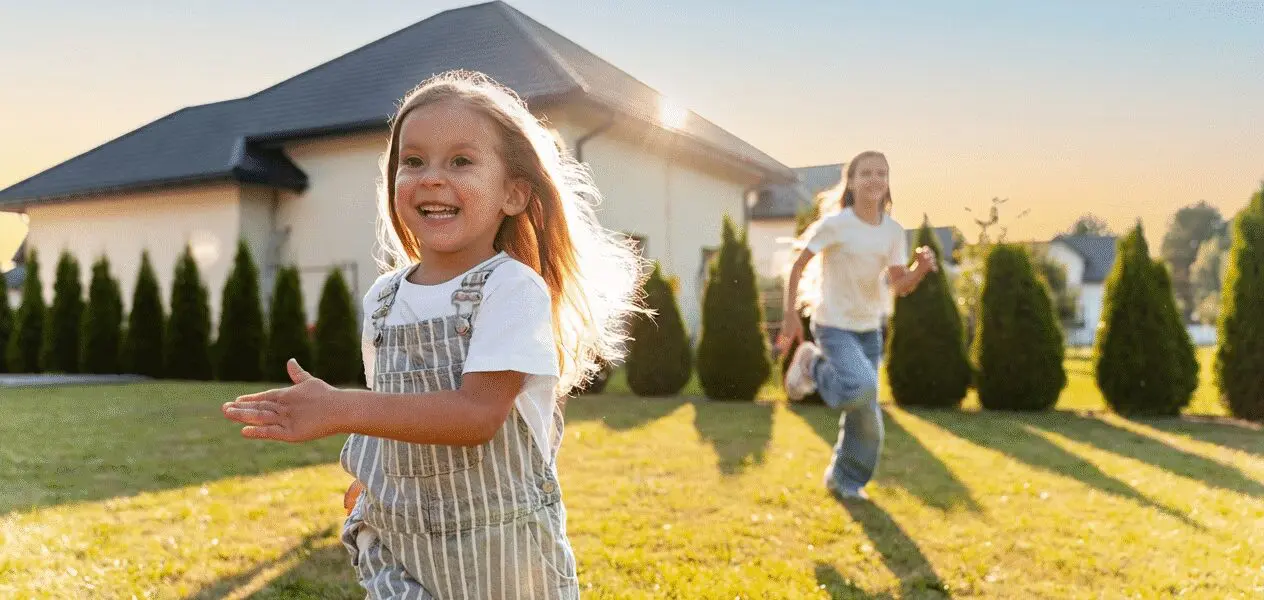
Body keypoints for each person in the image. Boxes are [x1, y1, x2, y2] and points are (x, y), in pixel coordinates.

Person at [221, 69, 645, 599]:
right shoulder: (383, 300)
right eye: (413, 161)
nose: (431, 178)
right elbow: (393, 411)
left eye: (461, 161)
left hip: (503, 559)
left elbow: (476, 416)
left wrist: (339, 409)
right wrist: (375, 478)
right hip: (404, 547)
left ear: (513, 193)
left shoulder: (512, 288)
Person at [777, 151, 937, 501]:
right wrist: (791, 315)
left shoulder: (894, 232)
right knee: (861, 388)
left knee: (867, 421)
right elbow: (797, 266)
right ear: (851, 181)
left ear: (888, 182)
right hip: (833, 325)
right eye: (866, 173)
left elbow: (899, 284)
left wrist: (920, 269)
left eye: (882, 173)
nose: (875, 179)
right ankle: (811, 364)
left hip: (870, 330)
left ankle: (844, 481)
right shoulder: (836, 225)